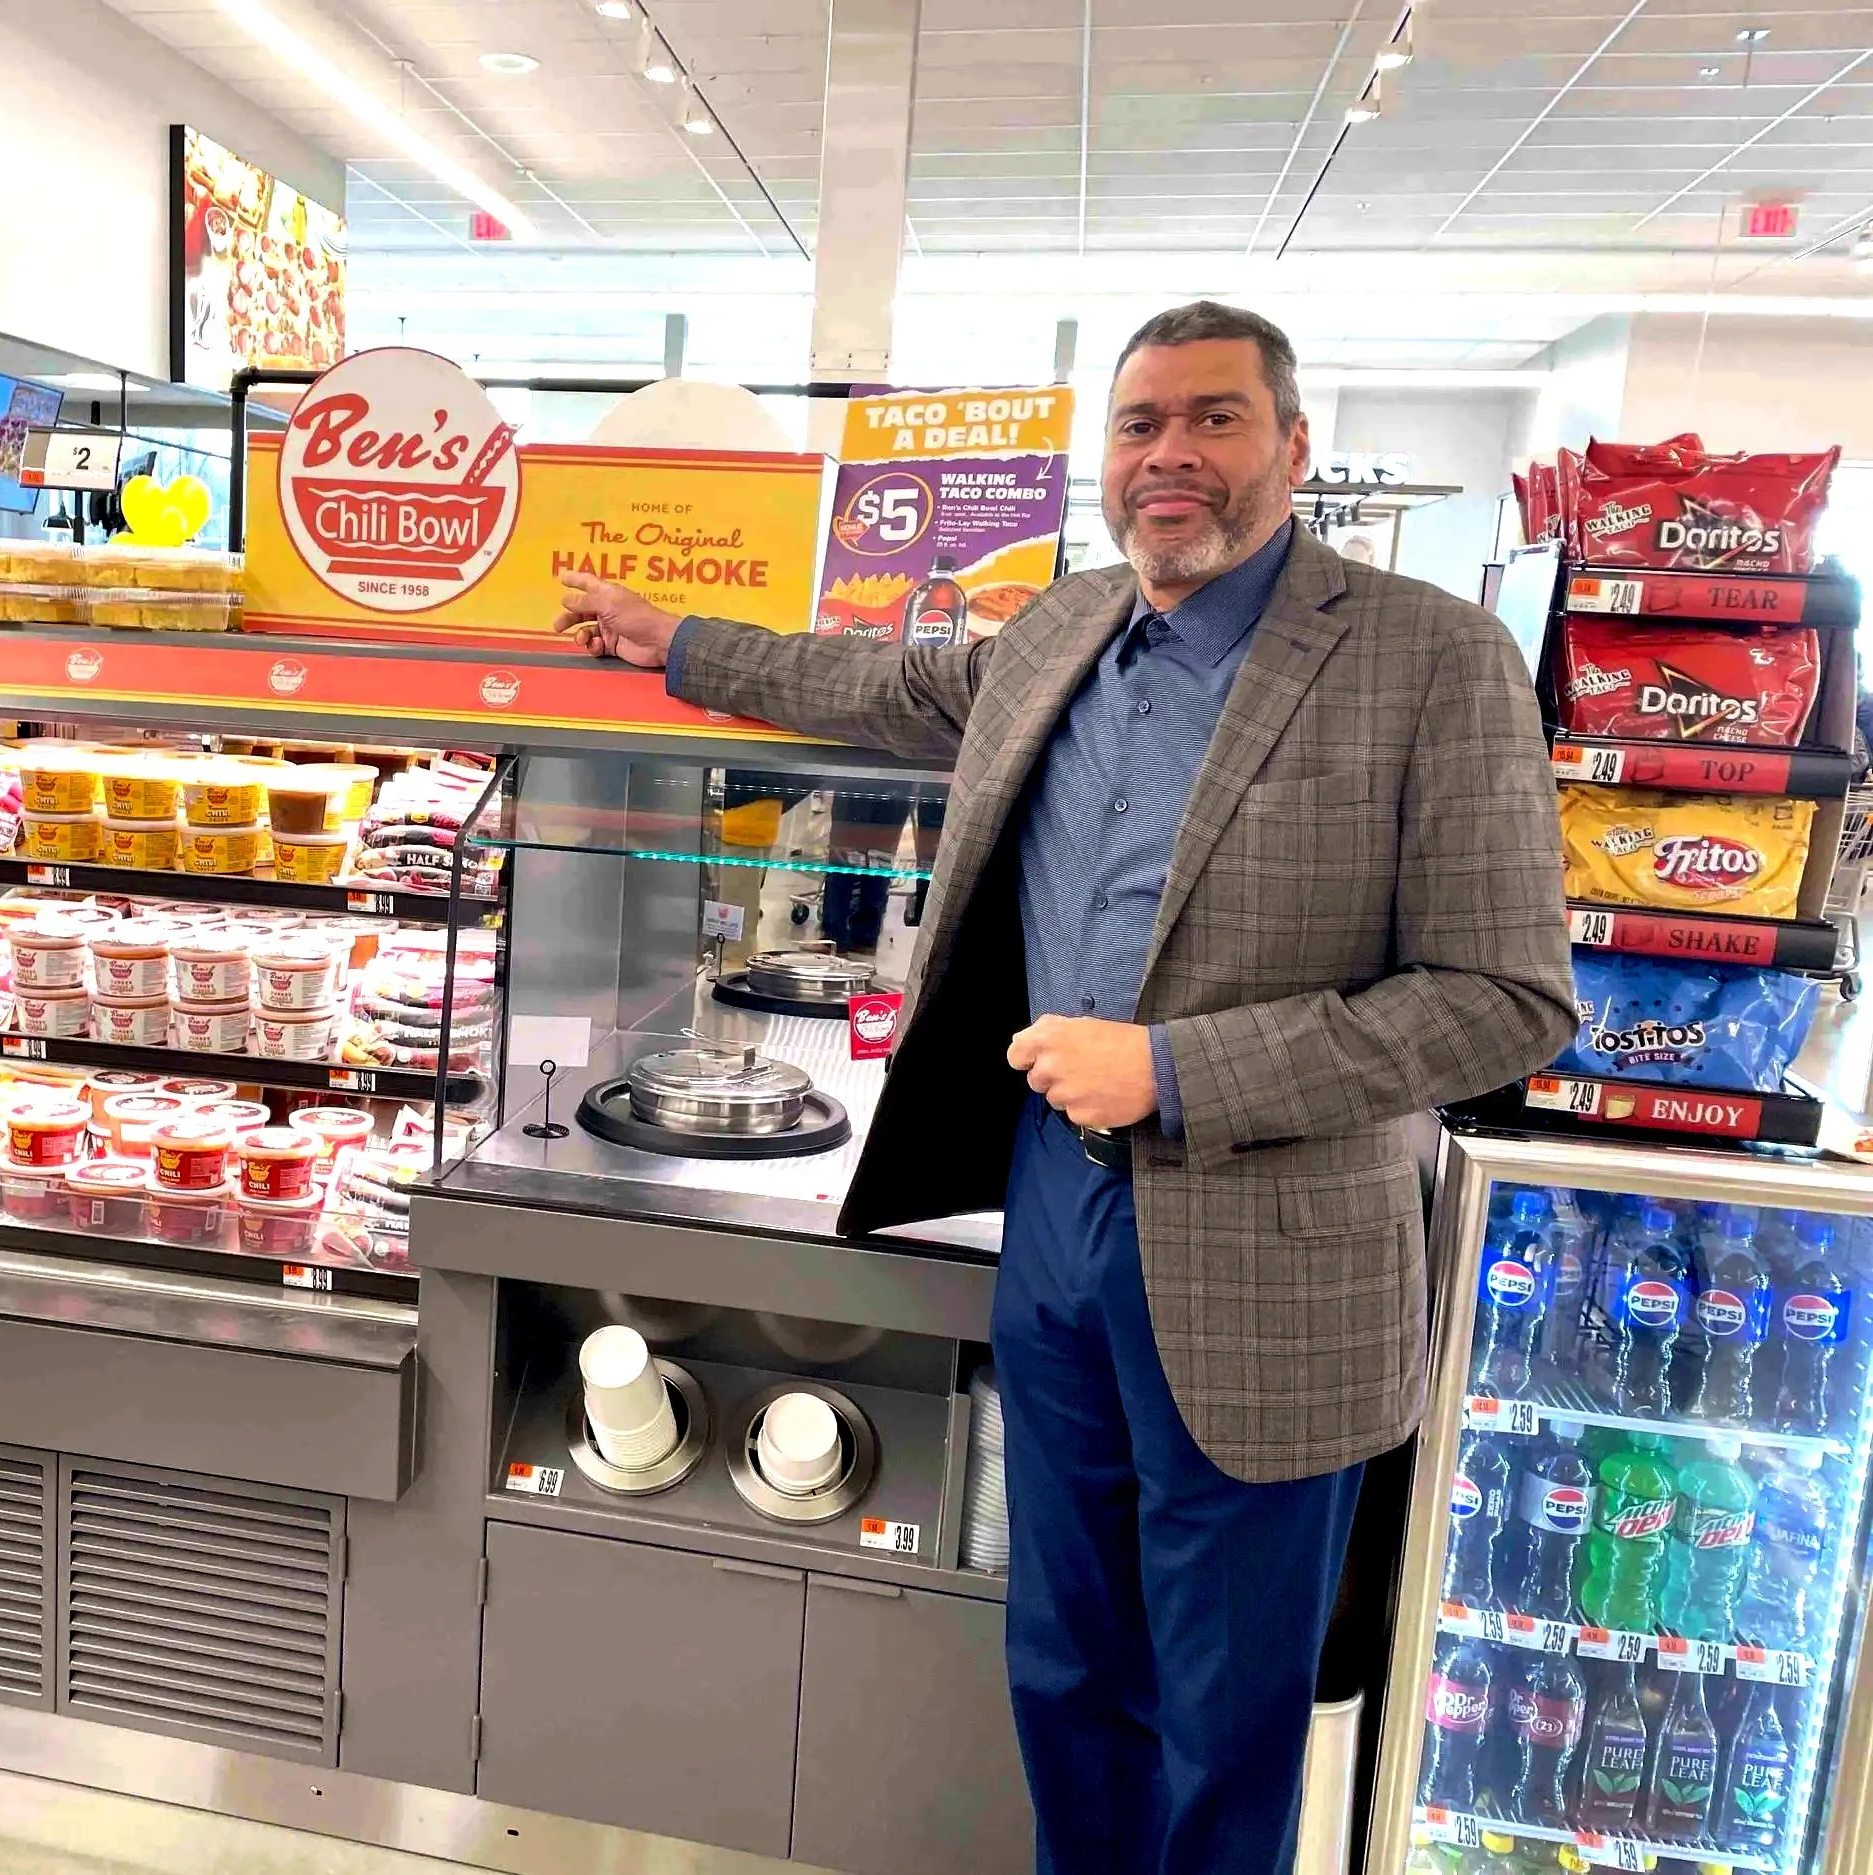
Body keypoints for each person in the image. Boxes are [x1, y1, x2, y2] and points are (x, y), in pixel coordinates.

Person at [557, 300, 1574, 1875]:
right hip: (1054, 1227)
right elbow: (875, 683)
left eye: (1216, 419)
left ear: (1292, 448)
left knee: (1222, 1709)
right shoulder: (1064, 626)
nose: (1172, 453)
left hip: (1274, 1260)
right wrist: (669, 639)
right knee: (1063, 1663)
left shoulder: (1433, 657)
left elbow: (1504, 1003)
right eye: (1141, 422)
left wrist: (1174, 1067)